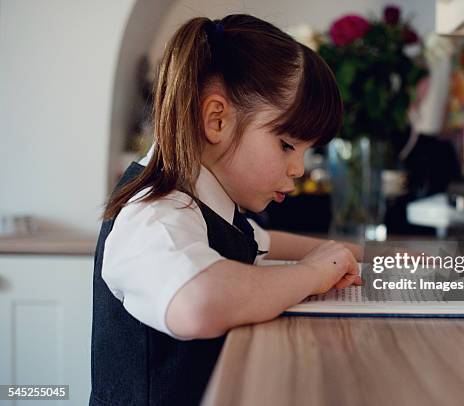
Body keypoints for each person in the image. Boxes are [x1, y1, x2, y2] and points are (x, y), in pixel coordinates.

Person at [90, 14, 363, 406]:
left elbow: (262, 242)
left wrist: (361, 255)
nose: (299, 170)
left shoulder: (205, 203)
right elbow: (197, 303)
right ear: (216, 120)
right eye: (287, 145)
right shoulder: (155, 214)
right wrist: (312, 274)